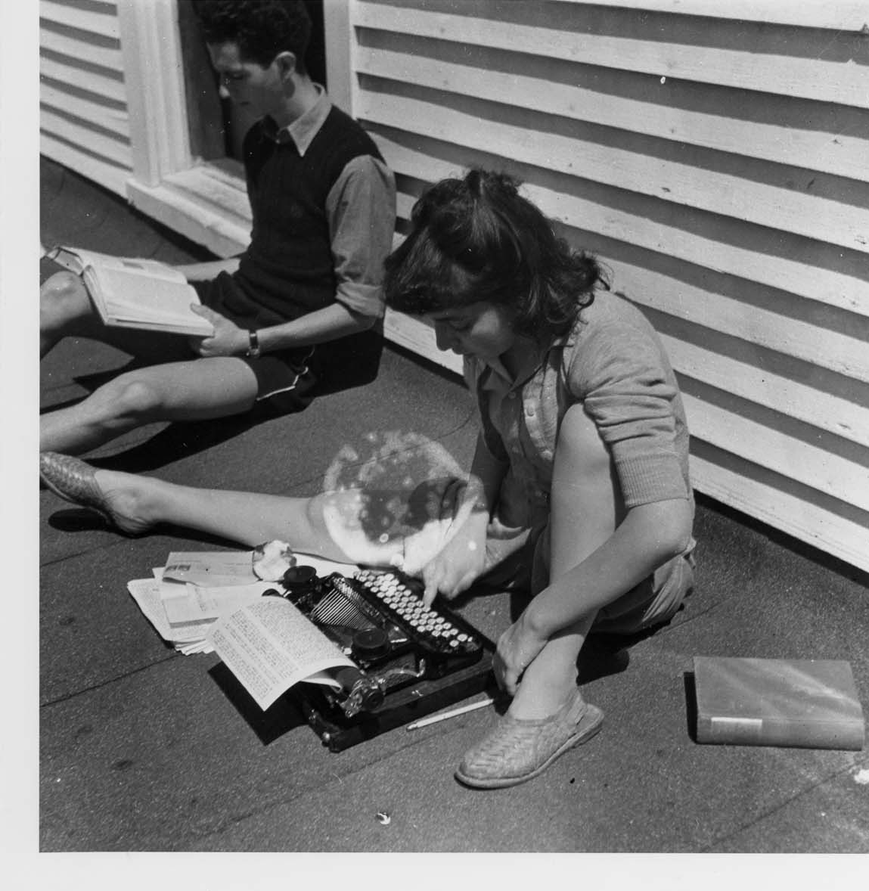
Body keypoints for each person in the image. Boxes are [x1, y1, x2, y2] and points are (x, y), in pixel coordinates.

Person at [39, 169, 695, 789]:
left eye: (458, 325)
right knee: (337, 519)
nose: (445, 345)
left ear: (520, 288)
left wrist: (535, 621)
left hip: (622, 579)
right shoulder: (496, 339)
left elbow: (663, 527)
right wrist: (468, 531)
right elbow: (495, 452)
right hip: (529, 528)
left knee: (584, 434)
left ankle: (553, 695)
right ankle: (147, 499)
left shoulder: (609, 337)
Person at [40, 0, 396, 455]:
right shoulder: (261, 140)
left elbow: (361, 310)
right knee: (64, 291)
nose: (225, 92)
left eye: (235, 75)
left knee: (132, 395)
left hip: (288, 351)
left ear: (284, 65)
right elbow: (262, 257)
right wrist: (120, 270)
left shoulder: (355, 165)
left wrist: (247, 341)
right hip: (230, 308)